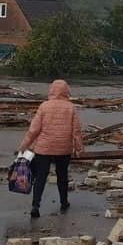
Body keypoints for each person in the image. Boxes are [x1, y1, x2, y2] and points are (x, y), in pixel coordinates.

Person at [17, 79, 84, 218]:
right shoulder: (70, 107)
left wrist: (24, 146)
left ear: (51, 90)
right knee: (62, 176)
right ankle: (64, 203)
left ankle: (35, 205)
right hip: (64, 148)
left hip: (44, 148)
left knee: (41, 176)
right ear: (67, 91)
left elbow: (34, 130)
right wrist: (79, 148)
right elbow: (76, 131)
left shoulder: (44, 106)